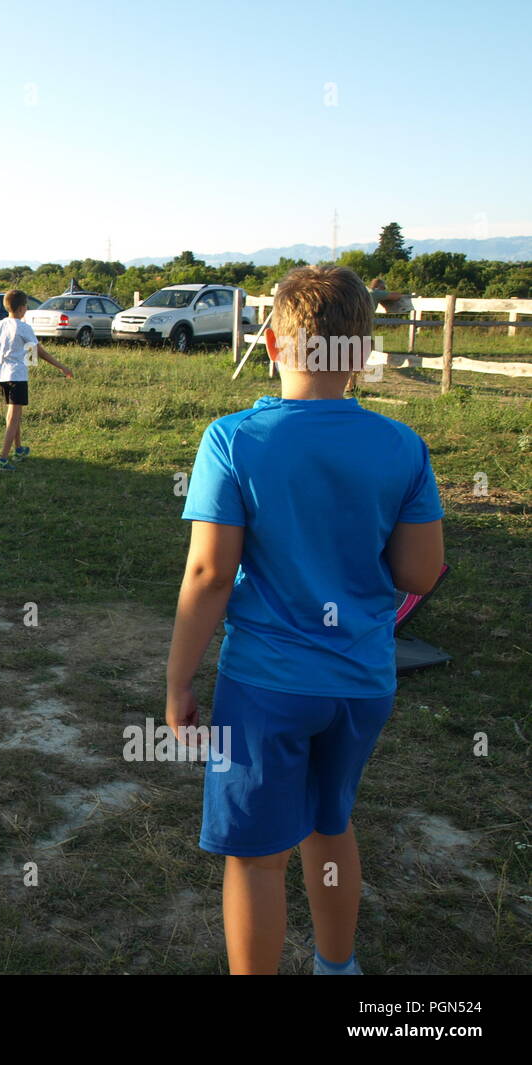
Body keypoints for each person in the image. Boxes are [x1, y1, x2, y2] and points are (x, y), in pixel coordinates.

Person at [165, 265, 444, 975]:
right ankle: (336, 966)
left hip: (266, 686)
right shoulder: (403, 446)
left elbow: (209, 573)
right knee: (331, 826)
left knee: (256, 858)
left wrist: (178, 683)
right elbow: (420, 573)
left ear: (270, 343)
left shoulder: (232, 439)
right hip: (362, 682)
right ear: (363, 353)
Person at [0, 289, 73, 471]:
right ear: (21, 308)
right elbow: (39, 352)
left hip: (1, 376)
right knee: (14, 418)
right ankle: (3, 460)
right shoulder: (23, 327)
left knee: (14, 414)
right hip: (16, 376)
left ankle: (19, 449)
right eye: (26, 306)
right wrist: (62, 367)